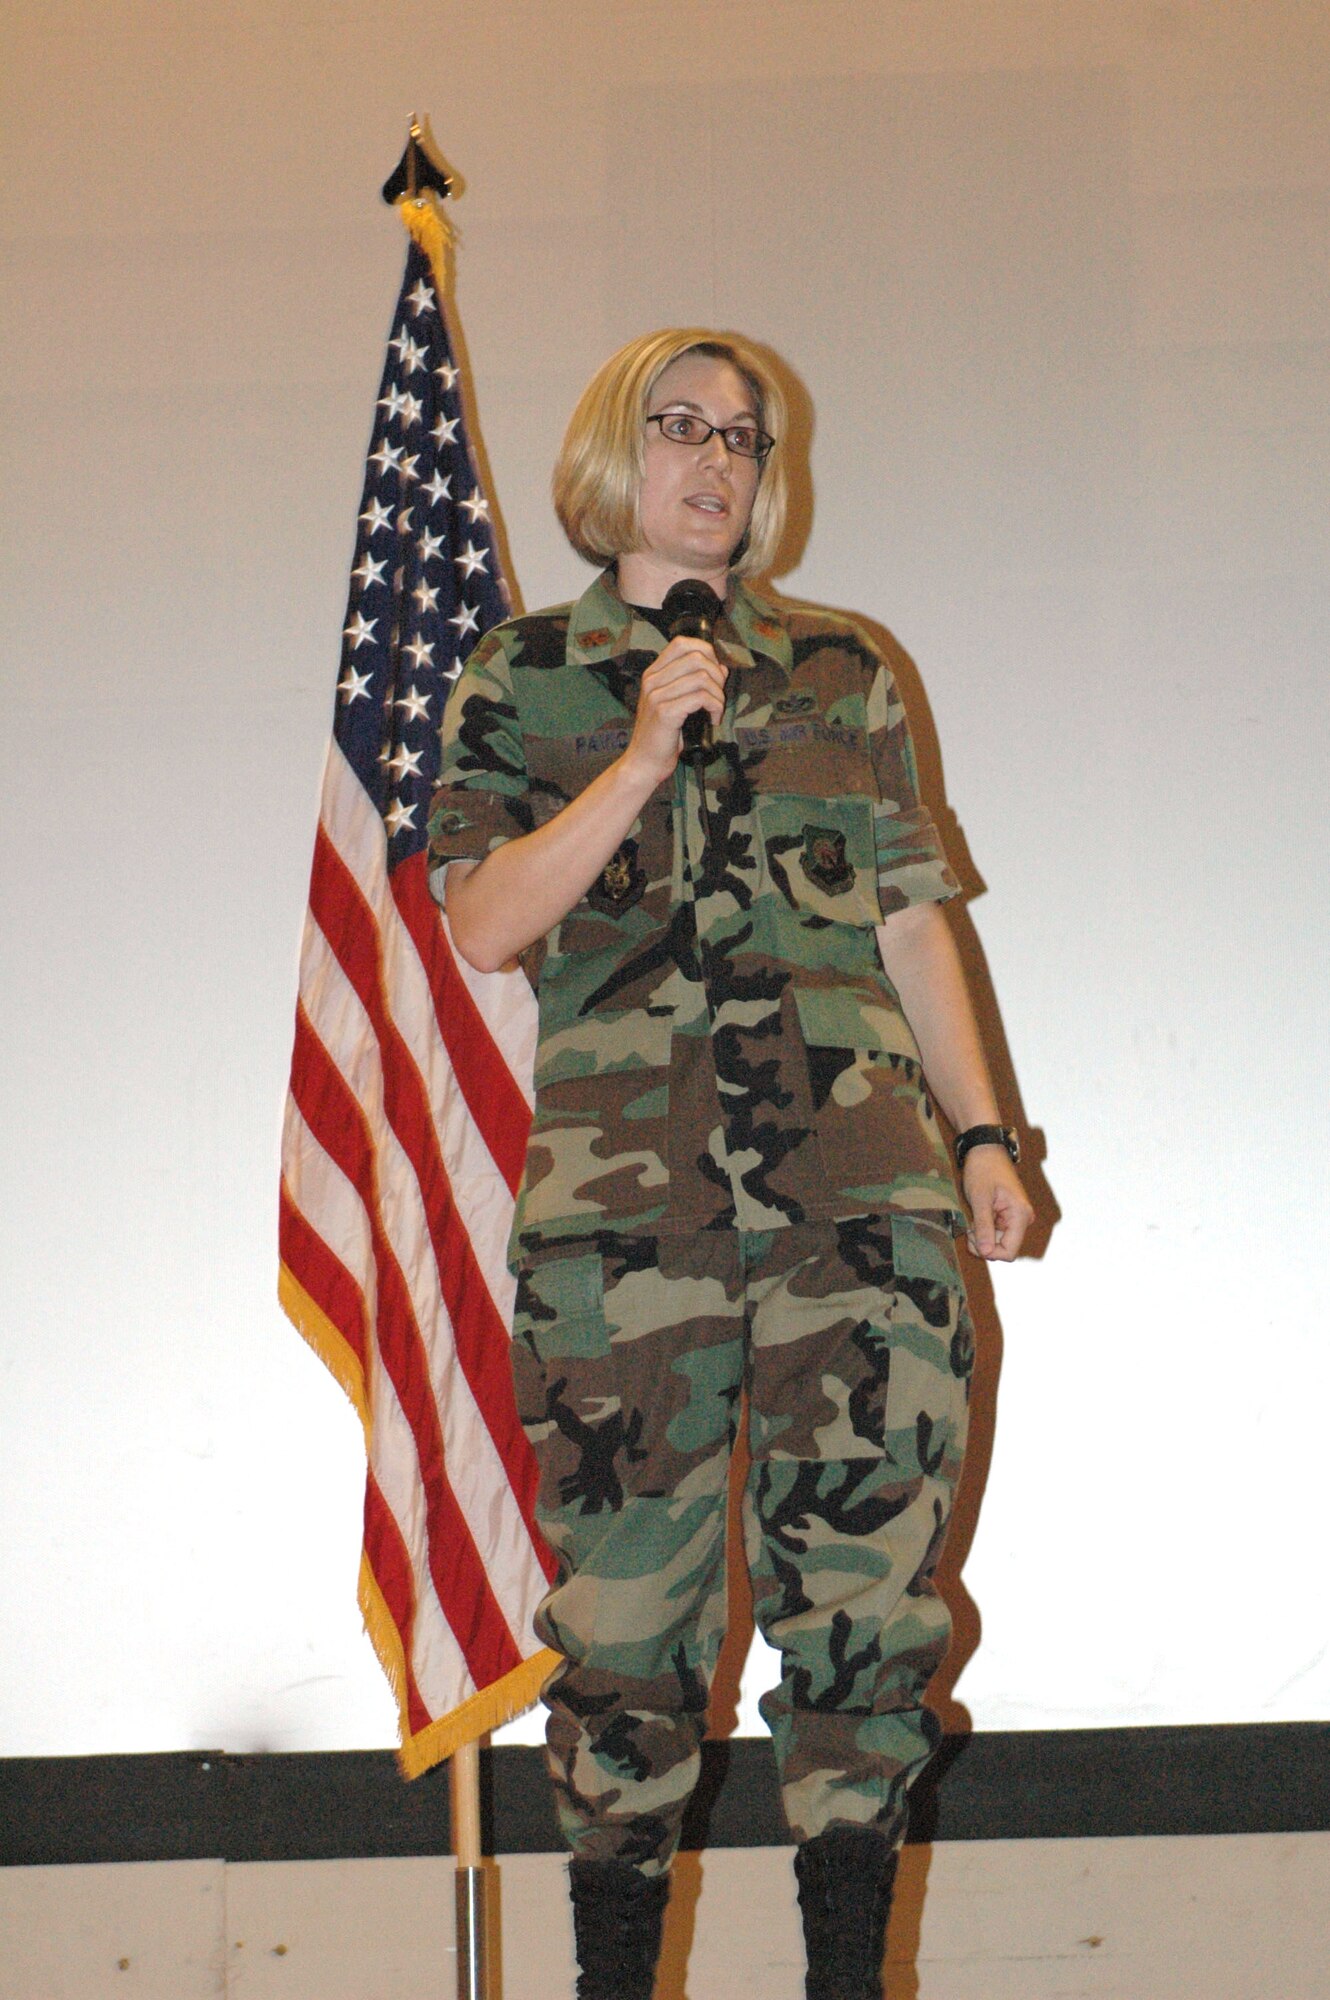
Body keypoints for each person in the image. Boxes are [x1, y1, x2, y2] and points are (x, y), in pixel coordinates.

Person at [427, 329, 1033, 2000]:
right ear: (615, 457)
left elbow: (912, 925)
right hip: (628, 1239)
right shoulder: (523, 675)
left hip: (862, 1207)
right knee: (627, 1641)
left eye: (747, 441)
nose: (718, 462)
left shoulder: (843, 668)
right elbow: (483, 924)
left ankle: (851, 1980)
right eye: (682, 428)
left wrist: (980, 1133)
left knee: (869, 1615)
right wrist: (635, 756)